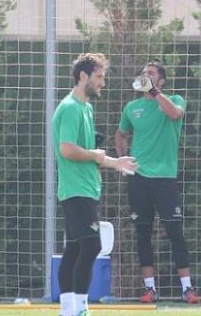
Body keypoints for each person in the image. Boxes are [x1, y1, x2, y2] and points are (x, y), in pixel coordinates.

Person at [53, 53, 138, 316]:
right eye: (99, 77)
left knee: (75, 248)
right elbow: (67, 150)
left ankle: (68, 310)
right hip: (75, 191)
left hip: (86, 189)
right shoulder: (69, 108)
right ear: (83, 76)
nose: (103, 82)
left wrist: (115, 162)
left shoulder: (86, 108)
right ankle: (80, 308)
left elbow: (91, 154)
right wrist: (96, 155)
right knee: (92, 245)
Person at [114, 60, 200, 304]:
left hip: (165, 178)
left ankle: (187, 289)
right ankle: (150, 289)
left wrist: (154, 91)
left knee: (175, 232)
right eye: (143, 73)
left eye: (150, 74)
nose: (145, 75)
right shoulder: (132, 107)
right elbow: (121, 134)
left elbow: (174, 114)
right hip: (138, 178)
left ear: (161, 80)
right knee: (142, 233)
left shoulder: (175, 100)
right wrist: (122, 160)